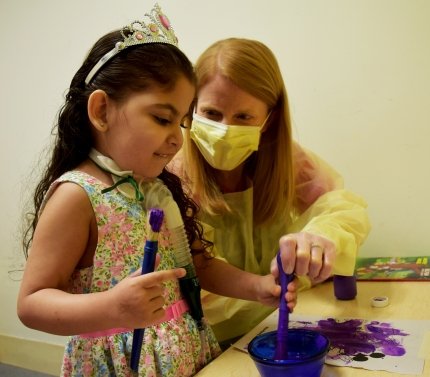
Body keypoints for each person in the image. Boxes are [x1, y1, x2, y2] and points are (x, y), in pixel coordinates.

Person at [17, 8, 297, 377]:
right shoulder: (77, 196)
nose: (177, 139)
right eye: (163, 119)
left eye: (182, 122)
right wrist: (112, 307)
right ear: (101, 110)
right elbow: (32, 304)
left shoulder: (158, 187)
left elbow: (199, 266)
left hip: (188, 354)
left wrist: (258, 287)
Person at [168, 37, 371, 345]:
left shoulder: (286, 161)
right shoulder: (171, 175)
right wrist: (265, 288)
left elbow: (341, 208)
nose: (225, 129)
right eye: (211, 114)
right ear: (191, 107)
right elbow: (198, 278)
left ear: (269, 118)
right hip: (207, 344)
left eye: (243, 117)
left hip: (279, 324)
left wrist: (320, 236)